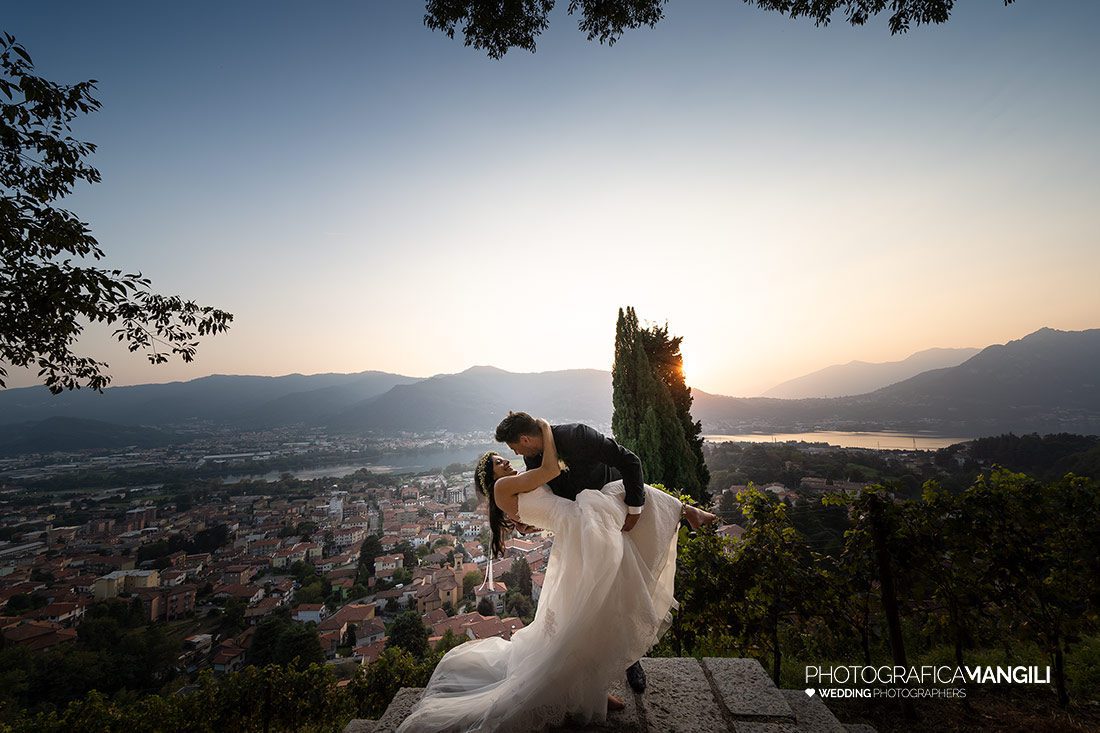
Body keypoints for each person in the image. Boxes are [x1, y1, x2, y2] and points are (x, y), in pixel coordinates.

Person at [396, 418, 716, 732]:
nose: (507, 459)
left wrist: (533, 516)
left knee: (593, 603)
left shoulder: (517, 480)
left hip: (578, 528)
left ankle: (686, 513)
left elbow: (545, 500)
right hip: (581, 530)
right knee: (591, 610)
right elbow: (550, 473)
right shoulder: (505, 485)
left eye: (506, 453)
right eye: (498, 459)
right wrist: (546, 429)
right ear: (489, 474)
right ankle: (591, 690)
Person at [495, 411, 648, 693]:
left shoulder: (578, 435)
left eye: (514, 447)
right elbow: (548, 496)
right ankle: (589, 665)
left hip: (608, 514)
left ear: (526, 439)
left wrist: (635, 509)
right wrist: (526, 521)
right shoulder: (532, 458)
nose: (515, 453)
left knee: (615, 588)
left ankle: (631, 660)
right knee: (588, 598)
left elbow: (630, 461)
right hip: (577, 530)